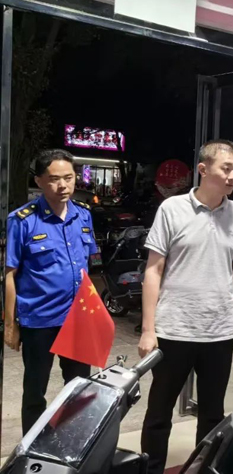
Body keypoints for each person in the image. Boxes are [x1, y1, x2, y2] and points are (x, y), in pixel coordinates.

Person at [138, 139, 233, 474]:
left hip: (219, 331)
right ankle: (152, 469)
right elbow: (153, 270)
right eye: (226, 168)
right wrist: (148, 330)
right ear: (203, 169)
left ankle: (204, 469)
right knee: (159, 413)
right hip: (173, 328)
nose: (232, 176)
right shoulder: (172, 209)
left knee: (213, 414)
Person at [4, 149, 97, 435]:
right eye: (54, 179)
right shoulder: (23, 220)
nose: (63, 186)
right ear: (39, 181)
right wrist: (10, 325)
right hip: (39, 320)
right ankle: (32, 447)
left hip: (78, 319)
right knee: (35, 391)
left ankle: (71, 444)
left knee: (79, 389)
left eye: (69, 178)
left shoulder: (83, 216)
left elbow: (88, 268)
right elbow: (10, 274)